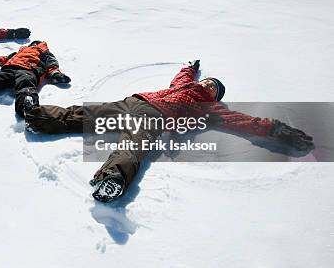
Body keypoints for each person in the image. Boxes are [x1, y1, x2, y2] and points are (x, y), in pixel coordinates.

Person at [24, 60, 314, 203]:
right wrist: (190, 67)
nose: (210, 87)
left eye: (215, 88)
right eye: (211, 83)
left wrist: (275, 129)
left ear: (215, 96)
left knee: (132, 147)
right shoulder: (184, 85)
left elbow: (240, 120)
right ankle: (38, 117)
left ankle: (112, 178)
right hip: (136, 101)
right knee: (86, 114)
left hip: (153, 116)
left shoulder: (210, 108)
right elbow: (183, 76)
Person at [0, 41, 71, 117]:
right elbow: (5, 58)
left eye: (36, 44)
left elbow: (51, 62)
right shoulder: (19, 52)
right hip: (9, 69)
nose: (34, 45)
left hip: (28, 69)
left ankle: (28, 106)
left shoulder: (42, 51)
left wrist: (54, 73)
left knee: (25, 84)